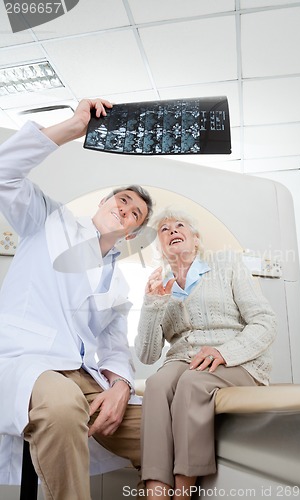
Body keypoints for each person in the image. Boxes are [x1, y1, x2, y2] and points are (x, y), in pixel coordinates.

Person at [0, 98, 153, 500]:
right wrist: (72, 127)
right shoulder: (49, 220)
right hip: (28, 360)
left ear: (132, 234)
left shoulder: (119, 284)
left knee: (166, 425)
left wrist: (120, 385)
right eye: (121, 200)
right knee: (63, 406)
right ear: (102, 203)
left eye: (134, 213)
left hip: (84, 376)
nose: (125, 209)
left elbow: (115, 348)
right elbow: (3, 172)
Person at [134, 207, 277, 499]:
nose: (172, 230)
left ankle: (183, 491)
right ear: (160, 247)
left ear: (196, 239)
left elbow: (266, 322)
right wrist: (152, 304)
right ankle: (155, 492)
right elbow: (147, 356)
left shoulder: (226, 264)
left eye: (180, 225)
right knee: (156, 384)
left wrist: (224, 352)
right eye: (164, 229)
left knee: (191, 381)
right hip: (182, 360)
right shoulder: (160, 285)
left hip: (237, 361)